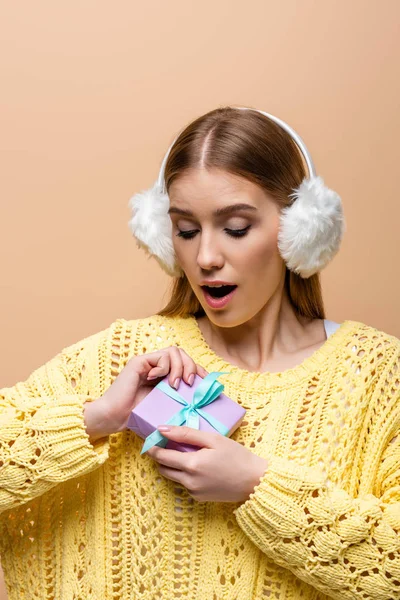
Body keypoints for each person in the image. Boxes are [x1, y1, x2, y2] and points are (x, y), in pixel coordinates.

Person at [0, 106, 399, 600]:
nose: (206, 257)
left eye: (235, 229)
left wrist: (258, 486)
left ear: (301, 230)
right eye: (186, 231)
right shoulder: (125, 356)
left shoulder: (377, 376)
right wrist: (96, 417)